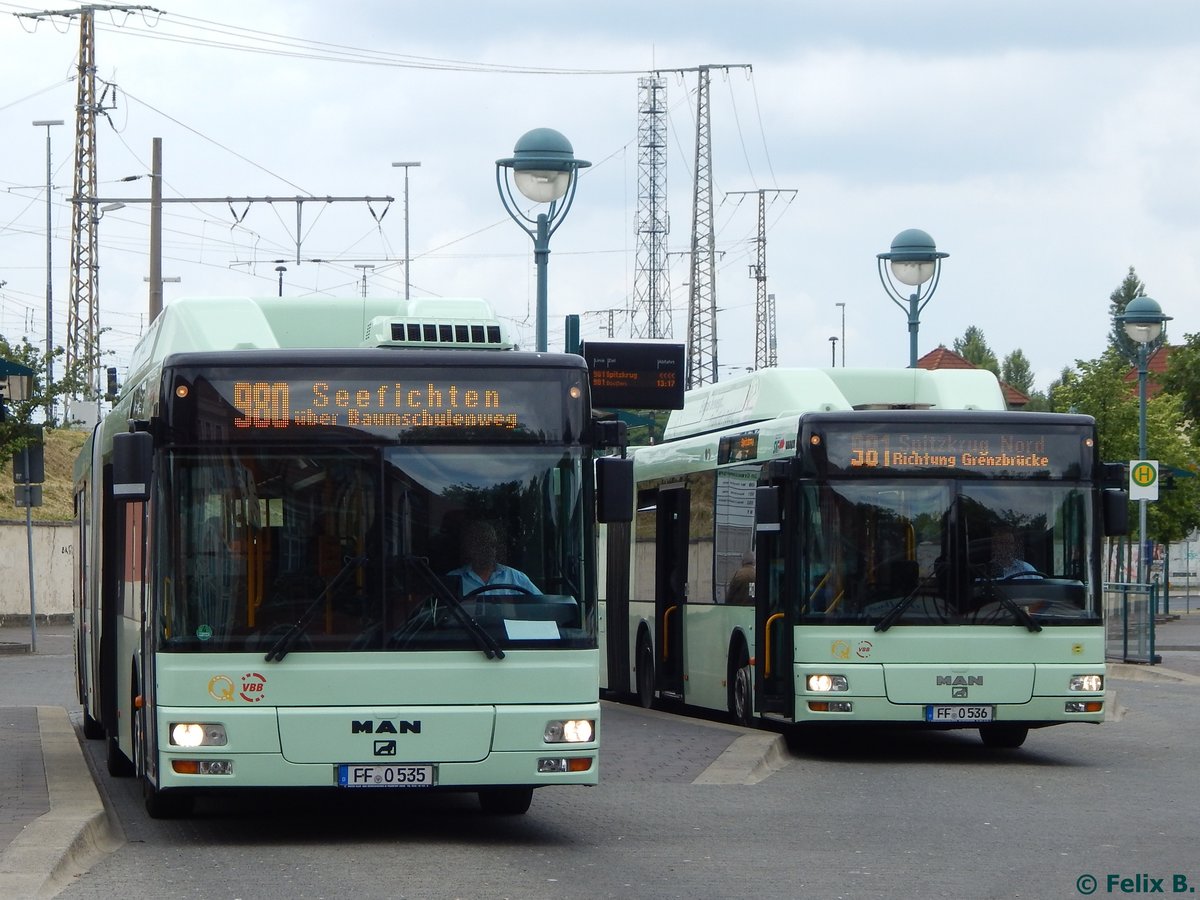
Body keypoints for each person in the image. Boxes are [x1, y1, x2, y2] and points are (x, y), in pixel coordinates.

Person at [447, 520, 540, 596]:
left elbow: (541, 606)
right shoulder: (453, 580)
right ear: (469, 547)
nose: (487, 549)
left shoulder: (517, 578)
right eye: (481, 544)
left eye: (491, 544)